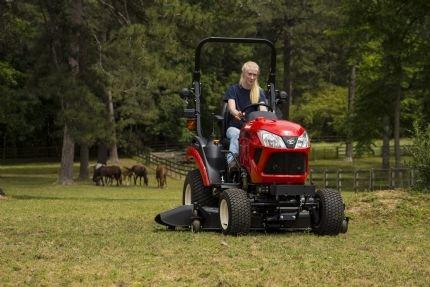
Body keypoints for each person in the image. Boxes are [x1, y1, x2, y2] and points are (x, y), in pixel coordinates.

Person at [224, 61, 267, 170]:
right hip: (235, 127)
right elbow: (231, 108)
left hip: (252, 130)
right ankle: (232, 163)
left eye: (254, 75)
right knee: (237, 134)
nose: (252, 77)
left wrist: (266, 115)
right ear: (243, 73)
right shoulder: (233, 90)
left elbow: (263, 109)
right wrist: (236, 113)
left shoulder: (259, 92)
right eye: (249, 74)